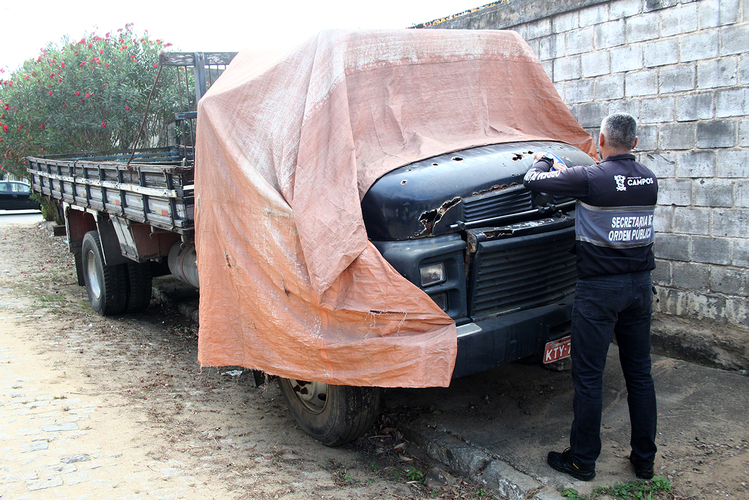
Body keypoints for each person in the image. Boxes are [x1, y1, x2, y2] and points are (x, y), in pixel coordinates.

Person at [523, 113, 658, 482]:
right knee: (640, 375)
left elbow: (532, 180)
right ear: (634, 141)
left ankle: (583, 461)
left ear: (600, 140)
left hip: (599, 290)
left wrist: (547, 158)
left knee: (588, 377)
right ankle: (644, 461)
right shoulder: (649, 178)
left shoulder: (590, 178)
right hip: (639, 288)